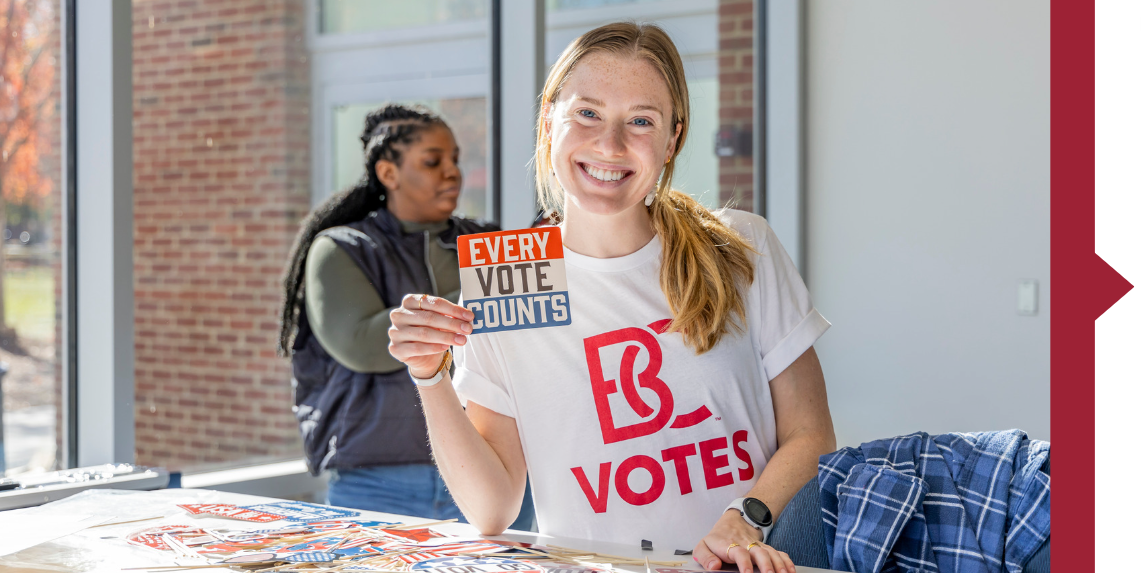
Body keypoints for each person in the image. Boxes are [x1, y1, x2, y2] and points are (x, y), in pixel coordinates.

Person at [388, 23, 835, 573]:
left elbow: (811, 434)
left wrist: (747, 516)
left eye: (641, 121)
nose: (610, 145)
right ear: (549, 120)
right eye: (588, 113)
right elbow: (491, 509)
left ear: (673, 138)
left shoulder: (739, 247)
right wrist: (428, 376)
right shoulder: (512, 279)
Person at [277, 104, 499, 519]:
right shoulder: (342, 248)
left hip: (491, 472)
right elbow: (366, 346)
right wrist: (495, 284)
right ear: (388, 173)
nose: (451, 172)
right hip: (378, 483)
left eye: (454, 160)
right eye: (433, 161)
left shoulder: (485, 239)